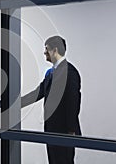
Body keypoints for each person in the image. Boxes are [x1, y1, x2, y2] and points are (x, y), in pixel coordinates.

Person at [21, 35, 82, 164]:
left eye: (46, 49)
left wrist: (71, 130)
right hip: (52, 128)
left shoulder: (70, 72)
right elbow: (38, 92)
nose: (44, 52)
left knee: (64, 161)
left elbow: (73, 102)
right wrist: (16, 104)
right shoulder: (50, 72)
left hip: (64, 131)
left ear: (55, 50)